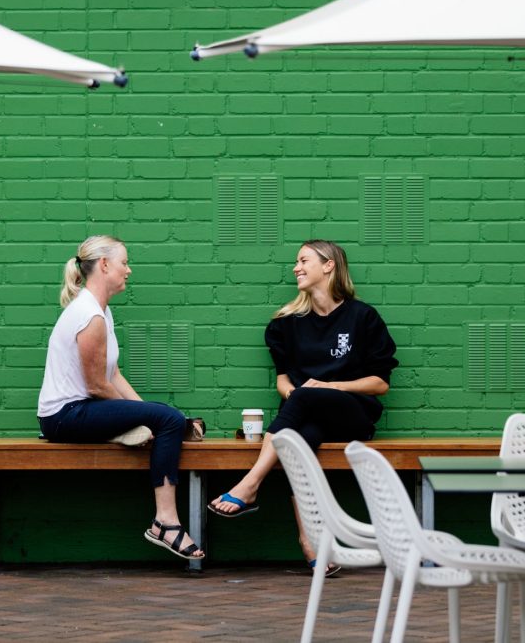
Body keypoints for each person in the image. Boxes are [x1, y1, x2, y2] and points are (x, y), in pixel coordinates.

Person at [208, 239, 397, 574]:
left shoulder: (362, 317)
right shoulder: (288, 322)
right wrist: (299, 395)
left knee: (305, 399)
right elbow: (283, 381)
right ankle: (310, 541)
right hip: (307, 415)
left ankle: (250, 485)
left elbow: (380, 384)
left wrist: (328, 386)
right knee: (302, 438)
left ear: (329, 266)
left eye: (303, 260)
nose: (296, 267)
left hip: (353, 415)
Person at [38, 235, 204, 561]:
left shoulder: (101, 311)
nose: (128, 270)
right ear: (104, 265)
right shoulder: (90, 316)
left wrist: (144, 412)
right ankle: (165, 522)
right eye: (124, 263)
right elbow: (97, 386)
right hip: (63, 416)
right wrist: (148, 417)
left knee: (164, 417)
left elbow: (114, 375)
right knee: (168, 418)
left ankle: (156, 431)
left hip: (83, 409)